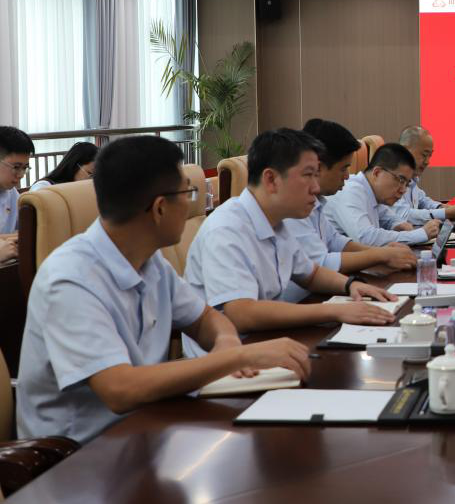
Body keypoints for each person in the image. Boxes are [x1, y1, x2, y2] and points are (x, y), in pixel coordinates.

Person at [16, 136, 311, 444]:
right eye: (188, 193)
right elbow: (120, 389)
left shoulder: (149, 261)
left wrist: (226, 342)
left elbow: (203, 318)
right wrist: (236, 358)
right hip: (80, 454)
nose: (192, 205)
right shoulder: (70, 280)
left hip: (147, 426)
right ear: (159, 208)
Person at [183, 129, 397, 357]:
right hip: (227, 361)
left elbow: (311, 274)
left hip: (266, 342)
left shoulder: (277, 221)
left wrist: (351, 285)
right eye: (308, 175)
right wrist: (334, 311)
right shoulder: (227, 229)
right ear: (271, 179)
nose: (316, 187)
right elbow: (242, 313)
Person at [280, 120, 416, 302]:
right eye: (343, 168)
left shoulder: (313, 201)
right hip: (301, 304)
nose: (347, 176)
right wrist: (379, 255)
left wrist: (381, 256)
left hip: (316, 297)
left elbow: (334, 241)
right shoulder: (289, 208)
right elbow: (321, 263)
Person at [328, 143, 440, 245]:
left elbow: (390, 219)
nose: (403, 190)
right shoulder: (350, 190)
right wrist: (419, 234)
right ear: (377, 173)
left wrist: (398, 225)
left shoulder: (374, 194)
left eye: (406, 184)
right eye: (401, 180)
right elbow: (366, 238)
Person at [393, 126, 455, 224]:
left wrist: (442, 207)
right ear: (405, 150)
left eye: (429, 156)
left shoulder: (412, 178)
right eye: (424, 155)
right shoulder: (391, 178)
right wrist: (446, 213)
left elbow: (423, 200)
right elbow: (405, 215)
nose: (427, 162)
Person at [0, 126, 34, 263]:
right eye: (16, 167)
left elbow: (26, 234)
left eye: (24, 168)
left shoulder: (12, 193)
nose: (21, 175)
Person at [27, 141, 97, 192]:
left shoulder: (88, 190)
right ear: (74, 166)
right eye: (90, 174)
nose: (93, 180)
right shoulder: (44, 186)